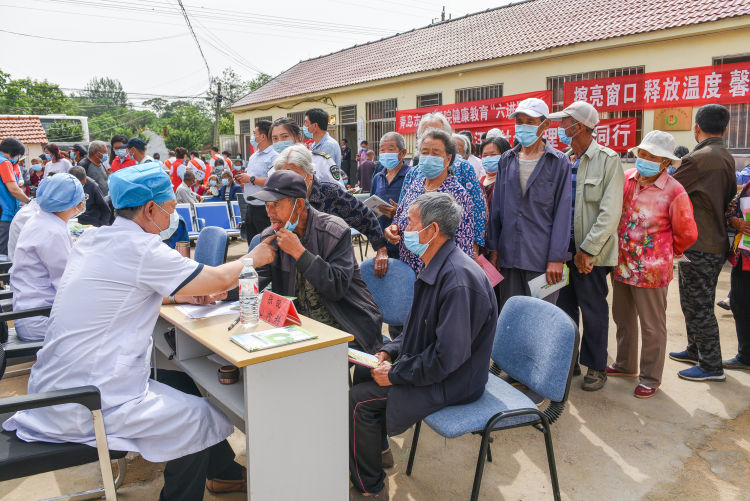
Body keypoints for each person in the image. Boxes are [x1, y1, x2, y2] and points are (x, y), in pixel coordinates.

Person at [2, 162, 278, 501]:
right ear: (150, 209)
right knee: (200, 416)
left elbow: (125, 286)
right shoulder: (143, 249)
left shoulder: (95, 238)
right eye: (171, 208)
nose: (172, 217)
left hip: (61, 383)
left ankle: (224, 474)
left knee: (179, 382)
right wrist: (255, 256)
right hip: (88, 399)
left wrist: (179, 293)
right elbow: (221, 278)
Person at [349, 192, 498, 500]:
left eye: (412, 222)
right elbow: (417, 329)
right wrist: (388, 352)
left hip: (456, 380)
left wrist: (397, 374)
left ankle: (369, 487)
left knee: (358, 401)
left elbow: (448, 358)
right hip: (437, 366)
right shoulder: (436, 265)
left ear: (431, 231)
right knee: (365, 372)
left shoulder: (456, 280)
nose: (404, 227)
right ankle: (377, 453)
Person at [608, 131, 698, 398]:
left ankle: (650, 377)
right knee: (623, 317)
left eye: (652, 156)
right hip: (622, 263)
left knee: (651, 324)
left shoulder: (674, 190)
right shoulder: (626, 179)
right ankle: (625, 364)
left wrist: (668, 253)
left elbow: (687, 232)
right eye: (642, 154)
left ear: (665, 163)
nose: (644, 160)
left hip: (652, 270)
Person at [252, 170, 382, 353]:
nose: (270, 213)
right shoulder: (271, 236)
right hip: (299, 327)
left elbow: (337, 287)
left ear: (298, 205)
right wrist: (218, 292)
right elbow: (253, 279)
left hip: (347, 324)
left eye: (275, 205)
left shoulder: (334, 231)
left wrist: (299, 253)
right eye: (266, 205)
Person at [548, 101, 624, 392]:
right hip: (562, 251)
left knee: (592, 309)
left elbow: (609, 212)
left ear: (577, 126)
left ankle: (596, 366)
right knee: (565, 309)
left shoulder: (608, 160)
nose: (560, 127)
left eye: (564, 121)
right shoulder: (564, 160)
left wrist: (588, 250)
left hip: (591, 252)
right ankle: (570, 363)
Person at [671, 104, 737, 382]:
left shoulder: (698, 159)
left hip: (699, 243)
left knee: (698, 305)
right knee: (693, 301)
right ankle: (695, 349)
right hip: (712, 242)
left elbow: (671, 189)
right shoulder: (725, 155)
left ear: (696, 128)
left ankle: (711, 365)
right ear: (726, 129)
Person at [486, 98, 572, 311]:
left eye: (530, 121)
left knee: (539, 321)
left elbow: (563, 213)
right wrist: (494, 249)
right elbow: (497, 208)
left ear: (545, 125)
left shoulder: (558, 161)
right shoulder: (506, 159)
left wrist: (556, 258)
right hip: (509, 257)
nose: (523, 126)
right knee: (511, 318)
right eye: (520, 121)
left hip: (543, 261)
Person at [272, 144, 392, 276]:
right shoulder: (281, 198)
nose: (289, 182)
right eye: (284, 176)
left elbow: (365, 216)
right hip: (296, 269)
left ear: (310, 173)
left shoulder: (329, 193)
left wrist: (381, 248)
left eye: (294, 175)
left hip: (332, 270)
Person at [386, 128, 475, 274]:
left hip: (438, 274)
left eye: (435, 153)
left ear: (448, 159)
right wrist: (392, 229)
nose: (428, 157)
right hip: (407, 270)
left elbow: (463, 245)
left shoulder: (458, 195)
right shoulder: (415, 184)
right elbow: (399, 217)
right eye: (425, 152)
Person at [9, 173, 86, 342]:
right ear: (72, 203)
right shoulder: (52, 231)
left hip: (34, 311)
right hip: (40, 318)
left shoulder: (43, 220)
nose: (82, 203)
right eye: (81, 198)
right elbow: (67, 283)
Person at [401, 113, 487, 252]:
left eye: (437, 132)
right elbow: (402, 211)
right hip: (413, 250)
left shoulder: (464, 168)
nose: (431, 137)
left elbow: (477, 211)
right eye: (426, 133)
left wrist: (474, 248)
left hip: (448, 251)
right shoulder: (413, 174)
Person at [234, 119, 279, 242]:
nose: (253, 137)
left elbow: (273, 181)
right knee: (251, 243)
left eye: (255, 134)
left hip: (264, 209)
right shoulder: (254, 156)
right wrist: (243, 180)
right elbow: (251, 178)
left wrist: (251, 179)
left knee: (266, 244)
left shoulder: (273, 156)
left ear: (263, 136)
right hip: (250, 207)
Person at [371, 132, 411, 259]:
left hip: (405, 242)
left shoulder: (411, 176)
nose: (385, 153)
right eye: (382, 150)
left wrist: (399, 212)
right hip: (383, 242)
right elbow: (371, 206)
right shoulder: (378, 177)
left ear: (402, 153)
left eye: (391, 149)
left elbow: (419, 209)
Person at [271, 117, 344, 186]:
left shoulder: (321, 161)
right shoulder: (273, 170)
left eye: (284, 136)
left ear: (299, 137)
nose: (279, 142)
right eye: (275, 138)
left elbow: (340, 193)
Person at [724, 181, 750, 371]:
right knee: (739, 304)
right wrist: (735, 222)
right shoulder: (748, 187)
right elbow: (730, 210)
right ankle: (745, 355)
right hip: (744, 257)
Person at [477, 135, 511, 261]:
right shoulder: (480, 181)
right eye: (485, 155)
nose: (488, 158)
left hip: (500, 245)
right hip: (482, 244)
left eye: (493, 154)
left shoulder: (507, 181)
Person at [0, 138, 31, 254]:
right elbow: (14, 189)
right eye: (18, 155)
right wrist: (29, 201)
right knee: (3, 252)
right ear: (14, 152)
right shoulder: (4, 162)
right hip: (5, 213)